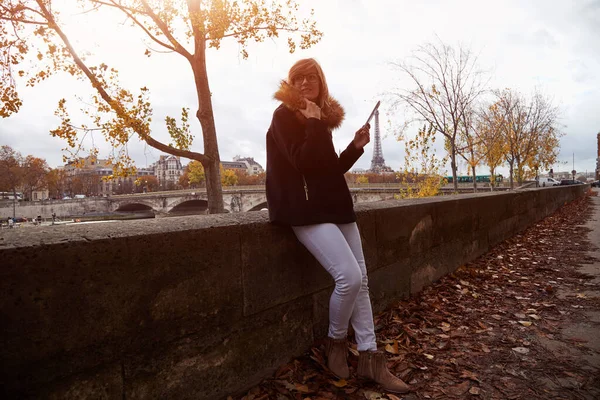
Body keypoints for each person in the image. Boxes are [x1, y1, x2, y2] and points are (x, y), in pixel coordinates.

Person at [265, 58, 409, 393]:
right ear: (290, 83)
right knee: (350, 277)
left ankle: (372, 358)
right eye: (297, 78)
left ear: (320, 81)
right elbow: (300, 161)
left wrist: (355, 150)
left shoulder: (321, 118)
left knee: (364, 281)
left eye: (311, 77)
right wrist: (315, 125)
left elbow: (326, 169)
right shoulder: (283, 117)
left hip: (334, 205)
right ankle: (335, 342)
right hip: (304, 211)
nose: (304, 83)